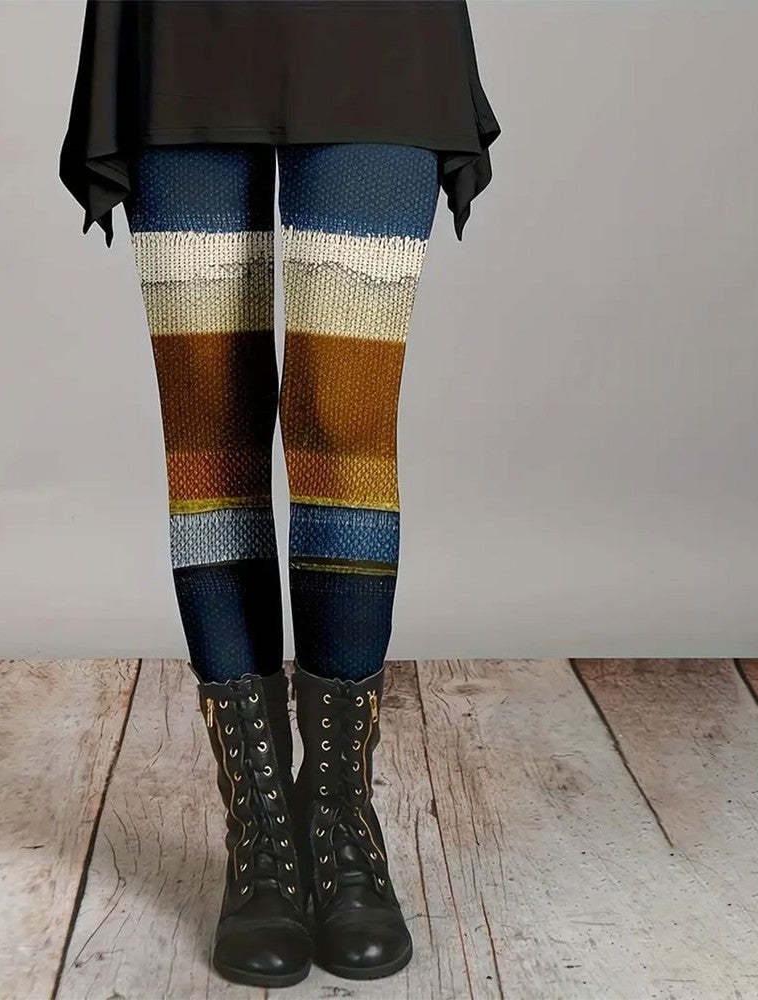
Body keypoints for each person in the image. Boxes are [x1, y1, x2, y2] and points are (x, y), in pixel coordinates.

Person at [59, 0, 501, 987]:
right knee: (209, 433)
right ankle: (260, 825)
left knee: (346, 428)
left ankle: (339, 812)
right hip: (183, 28)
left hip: (372, 31)